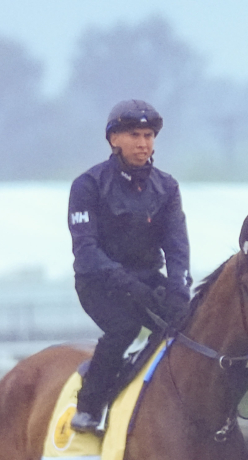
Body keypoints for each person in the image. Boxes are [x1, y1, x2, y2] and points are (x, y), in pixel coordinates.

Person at [67, 99, 191, 433]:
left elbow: (177, 244)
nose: (143, 143)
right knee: (124, 328)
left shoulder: (167, 187)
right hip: (99, 283)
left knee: (191, 325)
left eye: (149, 135)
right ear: (113, 140)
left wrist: (179, 285)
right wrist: (124, 282)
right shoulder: (87, 186)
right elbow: (86, 250)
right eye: (134, 134)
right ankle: (89, 407)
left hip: (148, 278)